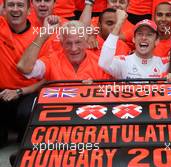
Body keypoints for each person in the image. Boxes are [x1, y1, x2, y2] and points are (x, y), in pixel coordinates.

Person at [99, 9, 171, 85]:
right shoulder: (123, 61)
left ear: (157, 41)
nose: (144, 38)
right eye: (140, 34)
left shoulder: (164, 63)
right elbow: (103, 63)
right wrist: (119, 23)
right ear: (133, 39)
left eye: (149, 35)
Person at [0, 0, 44, 146]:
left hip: (27, 93)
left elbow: (46, 78)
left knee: (26, 117)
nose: (15, 9)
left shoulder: (40, 36)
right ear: (3, 9)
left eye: (20, 5)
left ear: (29, 10)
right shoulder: (1, 25)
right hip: (1, 92)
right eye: (11, 5)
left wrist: (19, 91)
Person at [17, 17, 110, 80]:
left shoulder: (100, 63)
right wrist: (43, 35)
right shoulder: (51, 60)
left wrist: (94, 87)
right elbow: (24, 68)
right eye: (68, 43)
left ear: (86, 43)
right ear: (61, 44)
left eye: (78, 42)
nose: (73, 48)